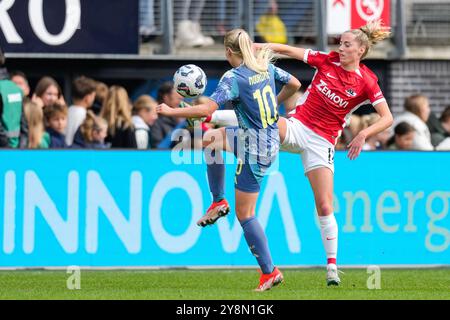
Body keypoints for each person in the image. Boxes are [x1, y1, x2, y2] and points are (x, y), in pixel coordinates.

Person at [201, 20, 393, 286]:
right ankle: (211, 117)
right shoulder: (328, 61)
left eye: (347, 44)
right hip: (296, 126)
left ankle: (332, 267)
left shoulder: (367, 81)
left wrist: (363, 134)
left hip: (322, 143)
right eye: (340, 43)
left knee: (325, 204)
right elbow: (290, 51)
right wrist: (259, 46)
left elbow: (387, 118)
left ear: (361, 50)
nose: (341, 47)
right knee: (249, 124)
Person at [157, 29, 301, 291]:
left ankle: (270, 272)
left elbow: (208, 108)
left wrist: (170, 111)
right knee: (212, 138)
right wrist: (273, 106)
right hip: (265, 139)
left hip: (255, 149)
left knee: (245, 214)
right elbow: (295, 84)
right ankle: (217, 201)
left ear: (228, 52)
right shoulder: (265, 67)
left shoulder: (233, 77)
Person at [0, 46, 28, 148]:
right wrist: (18, 151)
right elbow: (25, 127)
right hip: (15, 151)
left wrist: (7, 149)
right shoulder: (15, 88)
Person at [65, 76, 97, 146]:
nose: (94, 98)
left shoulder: (65, 112)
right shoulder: (84, 116)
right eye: (93, 95)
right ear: (87, 98)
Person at [151, 82, 185, 148]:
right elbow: (158, 149)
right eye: (178, 99)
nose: (181, 103)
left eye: (182, 99)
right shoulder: (155, 121)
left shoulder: (181, 119)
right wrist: (180, 125)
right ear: (166, 97)